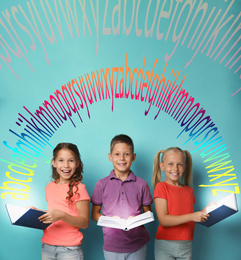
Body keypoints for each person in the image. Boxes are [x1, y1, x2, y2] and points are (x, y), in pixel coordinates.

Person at [91, 134, 153, 260]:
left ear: (133, 157)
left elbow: (148, 213)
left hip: (138, 245)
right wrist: (110, 220)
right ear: (110, 157)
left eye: (126, 154)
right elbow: (94, 215)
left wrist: (136, 219)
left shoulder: (142, 184)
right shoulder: (101, 184)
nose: (122, 158)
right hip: (112, 245)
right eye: (117, 154)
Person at [152, 147, 209, 260]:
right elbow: (163, 220)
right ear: (162, 166)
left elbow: (190, 216)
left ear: (185, 167)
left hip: (186, 245)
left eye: (180, 164)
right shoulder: (161, 187)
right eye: (170, 164)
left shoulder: (189, 191)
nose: (175, 168)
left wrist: (205, 211)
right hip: (165, 244)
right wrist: (192, 216)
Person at [39, 142, 90, 260]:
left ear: (77, 163)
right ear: (54, 163)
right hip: (47, 246)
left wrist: (62, 215)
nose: (66, 165)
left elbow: (84, 223)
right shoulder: (49, 187)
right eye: (61, 160)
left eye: (71, 161)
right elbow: (53, 213)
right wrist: (35, 213)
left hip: (69, 249)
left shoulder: (79, 188)